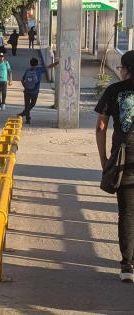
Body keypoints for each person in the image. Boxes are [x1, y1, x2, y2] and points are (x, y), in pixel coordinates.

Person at [95, 50, 134, 282]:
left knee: (127, 212)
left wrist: (104, 161)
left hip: (123, 158)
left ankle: (127, 266)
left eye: (120, 68)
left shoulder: (114, 91)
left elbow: (101, 127)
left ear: (126, 69)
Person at [18, 57, 59, 124]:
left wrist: (25, 87)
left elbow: (22, 80)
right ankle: (24, 113)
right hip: (35, 91)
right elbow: (50, 66)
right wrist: (58, 62)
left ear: (30, 64)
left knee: (27, 105)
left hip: (27, 91)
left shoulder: (28, 70)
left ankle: (27, 119)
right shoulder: (40, 69)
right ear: (37, 64)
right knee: (33, 104)